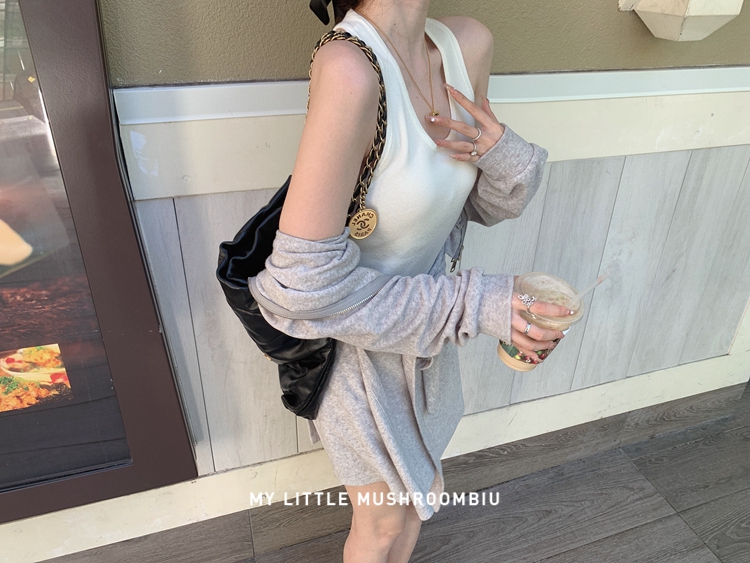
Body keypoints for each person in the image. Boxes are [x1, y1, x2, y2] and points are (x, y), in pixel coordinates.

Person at [253, 1, 574, 561]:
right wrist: (482, 305)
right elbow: (302, 286)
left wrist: (503, 155)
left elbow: (467, 207)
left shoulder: (466, 46)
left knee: (411, 505)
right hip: (356, 346)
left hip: (423, 337)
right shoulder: (349, 67)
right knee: (381, 524)